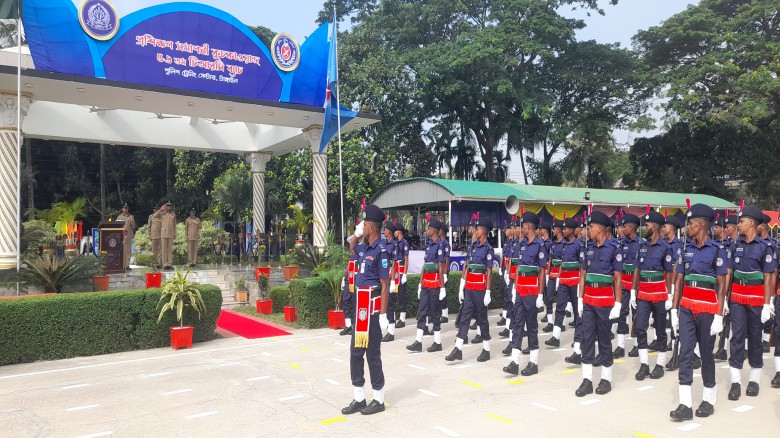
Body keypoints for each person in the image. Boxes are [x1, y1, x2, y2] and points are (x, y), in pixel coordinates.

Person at [669, 204, 728, 421]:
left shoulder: (717, 250)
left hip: (707, 308)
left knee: (706, 353)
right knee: (685, 352)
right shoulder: (686, 249)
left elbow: (721, 285)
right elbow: (679, 281)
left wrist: (719, 315)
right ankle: (685, 404)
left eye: (691, 223)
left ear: (701, 225)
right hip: (687, 306)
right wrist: (674, 310)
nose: (687, 227)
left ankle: (708, 399)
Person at [341, 204, 390, 416]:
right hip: (360, 308)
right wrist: (356, 233)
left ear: (372, 228)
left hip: (372, 309)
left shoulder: (381, 251)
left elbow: (385, 285)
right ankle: (359, 397)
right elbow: (351, 247)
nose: (363, 227)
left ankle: (378, 398)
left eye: (365, 224)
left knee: (373, 354)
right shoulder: (363, 248)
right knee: (356, 352)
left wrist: (383, 315)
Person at [725, 205, 776, 401]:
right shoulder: (735, 245)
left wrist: (767, 304)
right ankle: (735, 381)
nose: (739, 225)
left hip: (756, 298)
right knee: (737, 337)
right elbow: (729, 273)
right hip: (737, 297)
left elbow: (769, 277)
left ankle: (754, 380)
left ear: (752, 223)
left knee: (755, 339)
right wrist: (725, 299)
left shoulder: (764, 247)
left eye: (742, 222)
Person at [575, 211, 623, 397]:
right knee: (586, 338)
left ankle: (606, 379)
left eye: (591, 227)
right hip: (589, 299)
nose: (588, 231)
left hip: (604, 300)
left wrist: (618, 303)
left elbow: (617, 278)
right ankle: (587, 380)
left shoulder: (614, 248)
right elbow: (583, 275)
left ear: (600, 228)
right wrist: (580, 298)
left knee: (604, 339)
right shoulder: (588, 248)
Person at [630, 209, 674, 380]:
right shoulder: (642, 246)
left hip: (659, 293)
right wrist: (633, 291)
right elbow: (637, 269)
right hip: (643, 293)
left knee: (660, 329)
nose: (644, 228)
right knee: (640, 328)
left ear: (655, 227)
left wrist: (669, 295)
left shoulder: (665, 247)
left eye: (647, 225)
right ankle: (644, 364)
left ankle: (660, 364)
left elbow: (669, 273)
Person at [503, 211, 548, 376]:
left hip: (532, 291)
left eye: (523, 226)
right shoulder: (521, 244)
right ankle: (515, 361)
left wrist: (540, 295)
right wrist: (515, 288)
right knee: (517, 323)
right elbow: (519, 268)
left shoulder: (540, 245)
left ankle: (533, 362)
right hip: (521, 289)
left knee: (532, 325)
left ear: (529, 227)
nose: (521, 229)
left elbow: (542, 271)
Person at [447, 216, 493, 362]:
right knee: (465, 316)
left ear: (483, 232)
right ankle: (458, 348)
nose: (475, 231)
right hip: (470, 287)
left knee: (482, 318)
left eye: (477, 229)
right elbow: (467, 268)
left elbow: (489, 271)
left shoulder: (488, 249)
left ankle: (486, 349)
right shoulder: (472, 247)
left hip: (480, 287)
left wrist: (488, 291)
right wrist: (462, 286)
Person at [407, 218, 446, 353]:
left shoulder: (440, 245)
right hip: (425, 283)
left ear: (433, 230)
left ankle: (437, 342)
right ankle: (418, 341)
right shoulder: (429, 245)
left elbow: (440, 266)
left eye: (429, 229)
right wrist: (420, 283)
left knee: (434, 312)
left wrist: (442, 286)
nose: (427, 231)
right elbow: (424, 265)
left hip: (435, 282)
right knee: (422, 310)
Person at [547, 218, 583, 352]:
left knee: (577, 310)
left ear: (572, 230)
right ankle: (555, 337)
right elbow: (562, 263)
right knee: (560, 306)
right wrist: (558, 278)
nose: (563, 231)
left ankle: (578, 338)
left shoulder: (578, 245)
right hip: (563, 280)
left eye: (566, 229)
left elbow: (581, 267)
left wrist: (581, 283)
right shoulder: (565, 245)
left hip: (574, 281)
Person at [616, 213, 641, 358]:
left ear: (631, 228)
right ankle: (620, 346)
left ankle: (637, 345)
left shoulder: (641, 244)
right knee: (621, 312)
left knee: (636, 315)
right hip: (624, 282)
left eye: (625, 227)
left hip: (636, 283)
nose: (622, 229)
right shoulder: (621, 243)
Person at [544, 219, 564, 333]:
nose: (553, 231)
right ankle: (550, 322)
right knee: (549, 298)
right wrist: (548, 274)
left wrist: (559, 277)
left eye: (555, 229)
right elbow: (550, 259)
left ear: (559, 230)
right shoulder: (553, 244)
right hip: (552, 274)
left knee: (561, 300)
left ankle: (562, 323)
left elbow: (563, 261)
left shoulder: (564, 244)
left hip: (561, 274)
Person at [381, 222, 398, 342]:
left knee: (390, 304)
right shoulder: (383, 243)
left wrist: (393, 281)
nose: (384, 231)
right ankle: (384, 330)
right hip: (383, 275)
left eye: (386, 230)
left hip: (390, 275)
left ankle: (391, 332)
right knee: (383, 304)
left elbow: (394, 263)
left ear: (390, 232)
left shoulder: (394, 245)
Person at [394, 223, 410, 328]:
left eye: (395, 231)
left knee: (401, 296)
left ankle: (402, 319)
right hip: (396, 272)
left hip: (401, 270)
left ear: (399, 231)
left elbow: (406, 259)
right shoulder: (396, 242)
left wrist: (405, 274)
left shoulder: (404, 243)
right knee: (395, 295)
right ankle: (395, 317)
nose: (394, 233)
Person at [155, 201, 176, 269]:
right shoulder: (162, 213)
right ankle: (164, 264)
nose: (168, 207)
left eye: (170, 206)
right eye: (167, 206)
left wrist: (175, 233)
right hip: (164, 233)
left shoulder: (173, 214)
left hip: (170, 233)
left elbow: (174, 224)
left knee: (169, 249)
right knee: (164, 249)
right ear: (166, 207)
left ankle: (169, 264)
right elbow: (155, 216)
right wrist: (160, 209)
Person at [116, 203, 136, 271]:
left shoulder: (131, 216)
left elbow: (133, 226)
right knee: (122, 250)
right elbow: (116, 226)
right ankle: (122, 264)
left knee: (128, 250)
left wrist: (131, 220)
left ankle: (127, 265)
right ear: (122, 209)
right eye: (124, 208)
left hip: (128, 235)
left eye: (127, 208)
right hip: (121, 235)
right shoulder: (119, 217)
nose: (126, 209)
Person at [439, 224, 452, 323]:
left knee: (443, 292)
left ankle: (445, 314)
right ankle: (439, 312)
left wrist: (445, 273)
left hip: (443, 270)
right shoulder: (438, 242)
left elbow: (447, 259)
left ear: (442, 232)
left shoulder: (446, 244)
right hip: (439, 270)